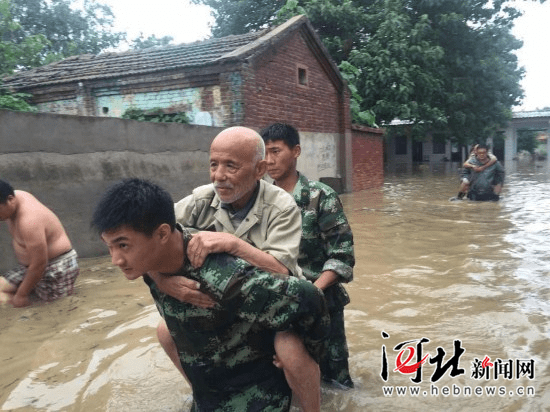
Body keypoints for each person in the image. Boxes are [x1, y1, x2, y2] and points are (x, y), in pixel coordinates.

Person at [91, 178, 330, 411]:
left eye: (122, 245)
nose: (115, 260)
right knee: (164, 331)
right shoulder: (150, 261)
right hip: (208, 387)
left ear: (163, 235)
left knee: (289, 343)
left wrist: (301, 355)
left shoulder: (226, 278)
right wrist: (159, 278)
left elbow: (309, 298)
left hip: (255, 394)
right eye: (109, 246)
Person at [151, 126, 322, 411]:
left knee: (289, 352)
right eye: (214, 164)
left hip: (273, 306)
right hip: (225, 307)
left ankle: (312, 407)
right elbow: (152, 238)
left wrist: (232, 244)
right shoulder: (200, 201)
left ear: (259, 170)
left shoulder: (282, 206)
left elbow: (281, 270)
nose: (219, 176)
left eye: (231, 166)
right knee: (165, 332)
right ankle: (202, 394)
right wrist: (160, 279)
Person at [260, 123, 355, 389]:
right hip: (276, 308)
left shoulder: (321, 197)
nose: (269, 160)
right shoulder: (260, 201)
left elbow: (342, 256)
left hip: (321, 304)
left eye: (276, 151)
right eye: (265, 153)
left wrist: (311, 295)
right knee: (283, 381)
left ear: (296, 151)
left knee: (336, 384)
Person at [0, 180, 79, 307]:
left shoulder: (29, 220)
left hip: (56, 267)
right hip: (30, 267)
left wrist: (21, 295)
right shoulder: (16, 196)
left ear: (10, 199)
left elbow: (40, 263)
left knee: (47, 307)